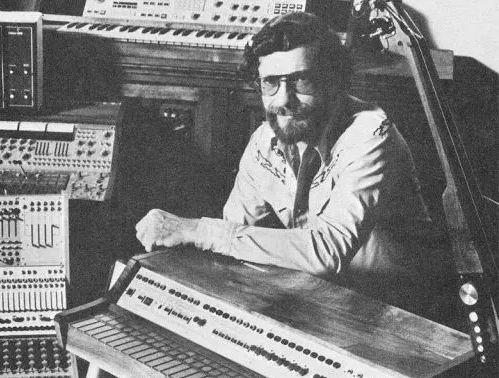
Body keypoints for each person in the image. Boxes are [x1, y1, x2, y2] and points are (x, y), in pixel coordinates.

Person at [135, 12, 453, 318]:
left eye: (301, 81)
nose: (284, 100)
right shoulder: (264, 142)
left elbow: (328, 251)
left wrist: (197, 230)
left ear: (333, 81)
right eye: (270, 83)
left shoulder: (371, 134)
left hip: (392, 313)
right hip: (316, 300)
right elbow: (233, 241)